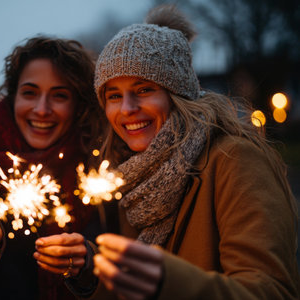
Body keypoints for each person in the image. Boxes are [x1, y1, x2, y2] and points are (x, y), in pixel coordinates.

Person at [69, 4, 300, 300]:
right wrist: (90, 268)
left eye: (143, 90)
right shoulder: (131, 177)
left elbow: (273, 290)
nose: (127, 109)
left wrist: (170, 282)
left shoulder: (235, 160)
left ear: (177, 94)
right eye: (114, 96)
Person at [0, 36, 107, 300]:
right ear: (13, 96)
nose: (42, 109)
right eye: (30, 92)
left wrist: (88, 259)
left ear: (78, 104)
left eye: (59, 95)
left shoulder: (97, 155)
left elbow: (116, 242)